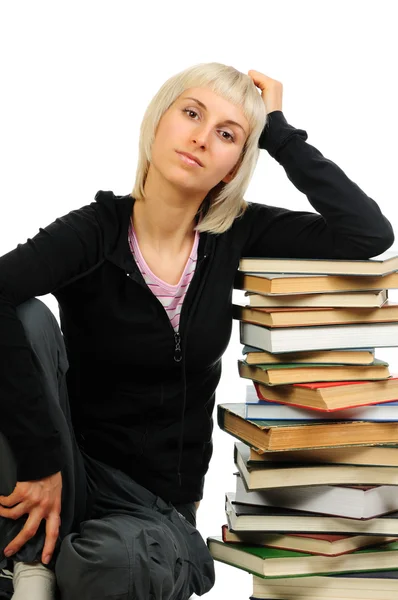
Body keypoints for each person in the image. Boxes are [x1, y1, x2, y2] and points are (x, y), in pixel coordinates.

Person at [0, 61, 394, 600]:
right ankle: (31, 563)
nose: (201, 138)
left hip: (153, 505)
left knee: (111, 565)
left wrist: (277, 132)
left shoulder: (236, 233)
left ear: (234, 166)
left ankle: (55, 559)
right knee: (25, 319)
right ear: (160, 122)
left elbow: (367, 233)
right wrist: (43, 461)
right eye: (191, 114)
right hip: (70, 472)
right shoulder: (96, 231)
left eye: (227, 134)